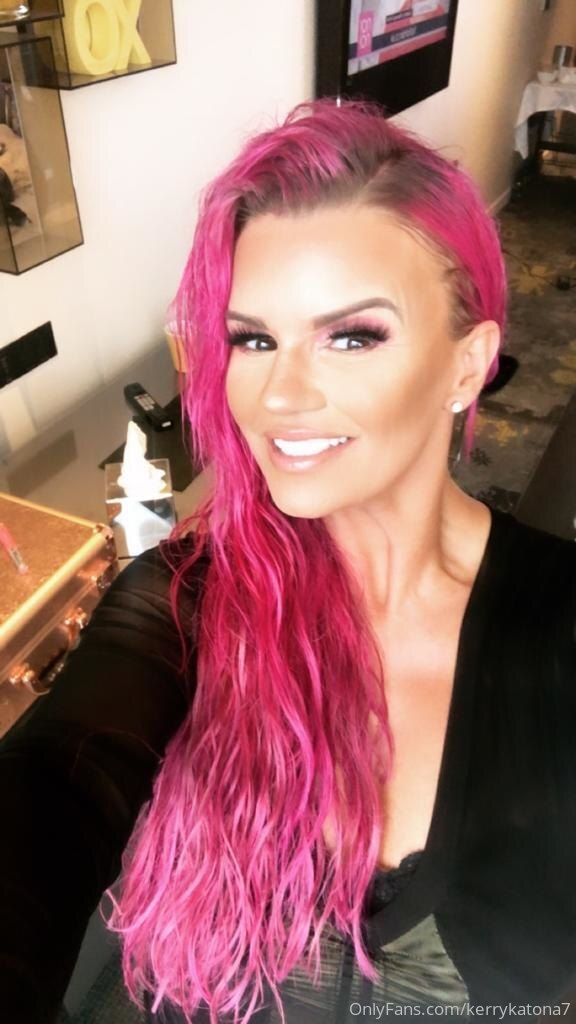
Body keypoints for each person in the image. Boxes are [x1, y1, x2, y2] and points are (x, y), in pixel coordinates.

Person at [1, 99, 575, 1024]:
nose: (279, 396)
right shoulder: (187, 598)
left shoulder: (558, 627)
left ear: (467, 365)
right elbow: (61, 780)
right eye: (254, 339)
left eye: (351, 336)